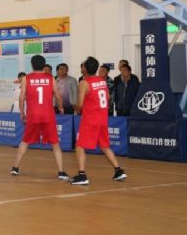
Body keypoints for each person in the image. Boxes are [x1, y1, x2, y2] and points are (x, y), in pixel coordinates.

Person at [70, 56, 127, 185]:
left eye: (83, 65)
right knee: (104, 145)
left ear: (85, 68)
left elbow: (80, 105)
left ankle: (82, 175)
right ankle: (118, 170)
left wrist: (75, 106)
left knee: (79, 145)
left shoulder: (84, 82)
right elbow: (107, 97)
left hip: (90, 119)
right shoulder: (102, 81)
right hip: (102, 118)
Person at [11, 55, 69, 180]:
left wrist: (22, 113)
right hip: (48, 115)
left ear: (32, 65)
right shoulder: (50, 78)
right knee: (55, 144)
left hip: (33, 115)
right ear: (44, 65)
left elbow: (22, 98)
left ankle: (15, 168)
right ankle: (61, 172)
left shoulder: (26, 78)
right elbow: (58, 96)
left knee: (25, 141)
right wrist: (60, 107)